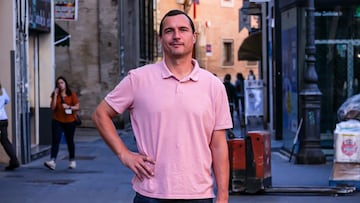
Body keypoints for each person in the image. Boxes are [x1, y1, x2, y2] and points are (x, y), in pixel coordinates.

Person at [92, 9, 232, 203]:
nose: (176, 36)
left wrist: (223, 195)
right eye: (169, 31)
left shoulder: (213, 86)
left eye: (182, 29)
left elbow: (218, 145)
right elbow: (101, 115)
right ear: (160, 38)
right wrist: (124, 155)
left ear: (194, 36)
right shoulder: (138, 79)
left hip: (199, 195)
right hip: (150, 195)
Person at [44, 76, 80, 170]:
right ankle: (52, 161)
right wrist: (55, 95)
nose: (60, 85)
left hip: (70, 121)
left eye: (62, 83)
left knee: (70, 140)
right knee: (55, 140)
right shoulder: (55, 94)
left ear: (65, 84)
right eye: (58, 83)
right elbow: (52, 107)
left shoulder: (71, 94)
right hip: (57, 120)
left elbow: (77, 106)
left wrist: (69, 107)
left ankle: (72, 160)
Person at [0, 82, 20, 171]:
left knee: (4, 141)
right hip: (4, 119)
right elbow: (7, 100)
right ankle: (14, 160)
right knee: (5, 141)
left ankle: (14, 161)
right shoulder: (2, 90)